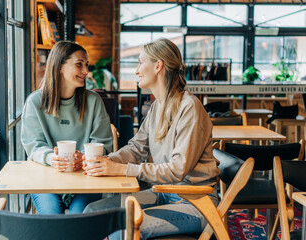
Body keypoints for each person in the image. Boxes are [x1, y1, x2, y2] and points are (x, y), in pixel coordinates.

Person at [83, 38, 220, 239]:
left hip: (194, 203)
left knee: (121, 228)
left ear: (158, 66)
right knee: (92, 213)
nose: (136, 70)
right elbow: (137, 149)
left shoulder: (189, 107)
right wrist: (108, 161)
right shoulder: (158, 106)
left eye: (140, 62)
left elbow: (177, 169)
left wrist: (123, 169)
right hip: (164, 193)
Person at [21, 40, 113, 214]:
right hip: (46, 179)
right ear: (59, 67)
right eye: (79, 65)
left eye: (86, 65)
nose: (86, 71)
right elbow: (33, 145)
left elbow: (103, 143)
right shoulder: (35, 102)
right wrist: (51, 159)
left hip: (86, 180)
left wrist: (84, 158)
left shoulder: (93, 101)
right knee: (53, 219)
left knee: (79, 219)